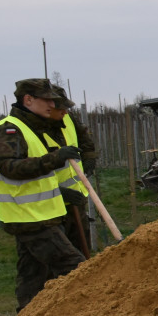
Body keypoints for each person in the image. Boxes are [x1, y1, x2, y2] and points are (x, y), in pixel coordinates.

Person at [0, 78, 86, 311]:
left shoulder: (32, 128)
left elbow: (37, 175)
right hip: (29, 216)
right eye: (47, 100)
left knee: (32, 275)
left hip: (38, 214)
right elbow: (10, 168)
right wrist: (56, 157)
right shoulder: (9, 128)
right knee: (75, 267)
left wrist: (61, 193)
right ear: (28, 99)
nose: (52, 105)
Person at [49, 86, 97, 254]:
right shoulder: (34, 128)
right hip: (49, 201)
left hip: (76, 195)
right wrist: (56, 191)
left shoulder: (69, 119)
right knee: (60, 253)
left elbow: (84, 137)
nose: (65, 112)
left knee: (81, 247)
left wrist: (90, 157)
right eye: (61, 108)